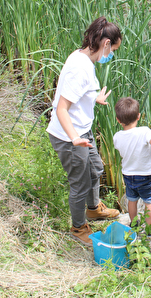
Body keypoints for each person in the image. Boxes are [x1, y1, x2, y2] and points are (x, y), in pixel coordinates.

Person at [47, 16, 123, 247]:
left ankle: (94, 209)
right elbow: (61, 109)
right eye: (113, 50)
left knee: (96, 169)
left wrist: (94, 98)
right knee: (79, 183)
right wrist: (75, 139)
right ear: (106, 43)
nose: (111, 56)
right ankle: (78, 227)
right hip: (70, 136)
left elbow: (77, 95)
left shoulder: (83, 57)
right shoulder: (80, 69)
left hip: (82, 130)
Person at [113, 97, 151, 238]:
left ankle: (133, 224)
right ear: (138, 116)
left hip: (128, 174)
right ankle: (149, 229)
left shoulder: (117, 136)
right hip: (146, 175)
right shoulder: (144, 131)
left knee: (132, 199)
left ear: (118, 120)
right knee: (149, 201)